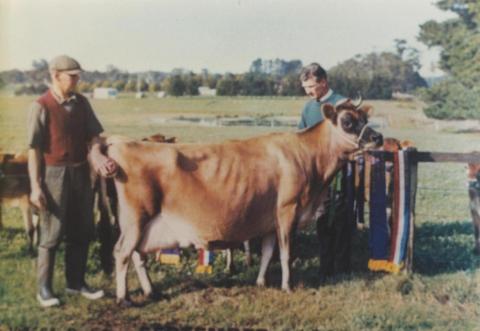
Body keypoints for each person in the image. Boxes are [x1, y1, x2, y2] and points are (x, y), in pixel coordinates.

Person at [27, 55, 117, 307]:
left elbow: (95, 136)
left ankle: (75, 282)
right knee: (52, 233)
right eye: (72, 76)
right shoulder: (41, 106)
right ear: (56, 75)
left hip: (80, 173)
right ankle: (44, 289)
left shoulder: (82, 104)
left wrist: (97, 154)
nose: (77, 80)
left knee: (82, 230)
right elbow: (33, 150)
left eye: (78, 75)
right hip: (53, 175)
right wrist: (36, 187)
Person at [298, 63, 353, 280]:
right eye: (305, 88)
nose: (308, 92)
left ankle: (343, 266)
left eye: (311, 86)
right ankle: (325, 265)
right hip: (317, 176)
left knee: (341, 218)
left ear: (323, 82)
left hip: (341, 174)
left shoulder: (342, 104)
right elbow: (300, 137)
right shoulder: (308, 108)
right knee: (321, 218)